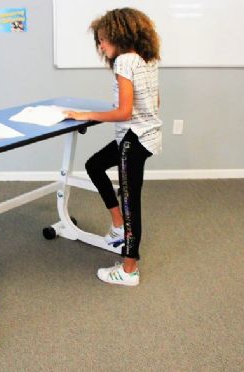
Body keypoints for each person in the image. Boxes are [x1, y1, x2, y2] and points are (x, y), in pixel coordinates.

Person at [64, 8, 162, 286]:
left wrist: (87, 115)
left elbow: (124, 112)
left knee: (131, 204)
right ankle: (117, 225)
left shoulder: (124, 62)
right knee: (94, 165)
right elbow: (155, 102)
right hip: (144, 135)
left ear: (120, 36)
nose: (101, 46)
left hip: (134, 138)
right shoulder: (147, 59)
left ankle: (129, 270)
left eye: (103, 40)